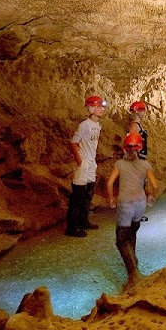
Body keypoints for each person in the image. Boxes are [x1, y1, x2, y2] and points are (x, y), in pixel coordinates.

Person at [107, 131, 158, 285]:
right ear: (140, 148)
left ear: (124, 148)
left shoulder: (120, 164)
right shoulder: (145, 165)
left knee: (121, 239)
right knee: (132, 231)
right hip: (140, 204)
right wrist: (151, 197)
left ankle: (133, 273)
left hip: (125, 204)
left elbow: (110, 183)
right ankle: (133, 260)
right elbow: (154, 185)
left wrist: (111, 198)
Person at [66, 94, 106, 238]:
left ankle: (83, 221)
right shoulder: (85, 125)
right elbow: (73, 142)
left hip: (91, 162)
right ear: (91, 108)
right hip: (84, 162)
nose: (102, 109)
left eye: (102, 106)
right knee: (78, 195)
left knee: (88, 193)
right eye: (98, 106)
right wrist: (80, 161)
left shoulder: (97, 125)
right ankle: (71, 227)